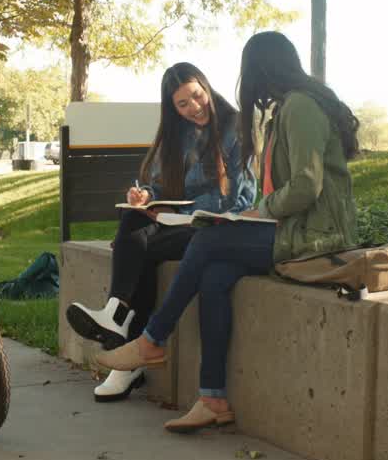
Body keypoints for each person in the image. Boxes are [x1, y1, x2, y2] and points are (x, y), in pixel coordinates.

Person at [95, 31, 360, 432]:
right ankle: (213, 399)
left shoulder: (301, 107)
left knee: (207, 240)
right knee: (214, 277)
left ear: (261, 69)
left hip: (313, 234)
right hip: (291, 227)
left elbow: (307, 185)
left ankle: (152, 340)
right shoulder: (291, 106)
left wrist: (259, 211)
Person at [67, 62, 255, 401]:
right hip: (180, 223)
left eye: (197, 96)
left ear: (206, 86)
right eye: (182, 104)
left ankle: (125, 348)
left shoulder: (234, 126)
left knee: (141, 249)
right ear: (172, 108)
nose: (194, 108)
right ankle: (116, 319)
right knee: (133, 219)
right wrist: (147, 196)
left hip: (218, 226)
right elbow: (158, 183)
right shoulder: (176, 132)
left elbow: (234, 197)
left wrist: (178, 209)